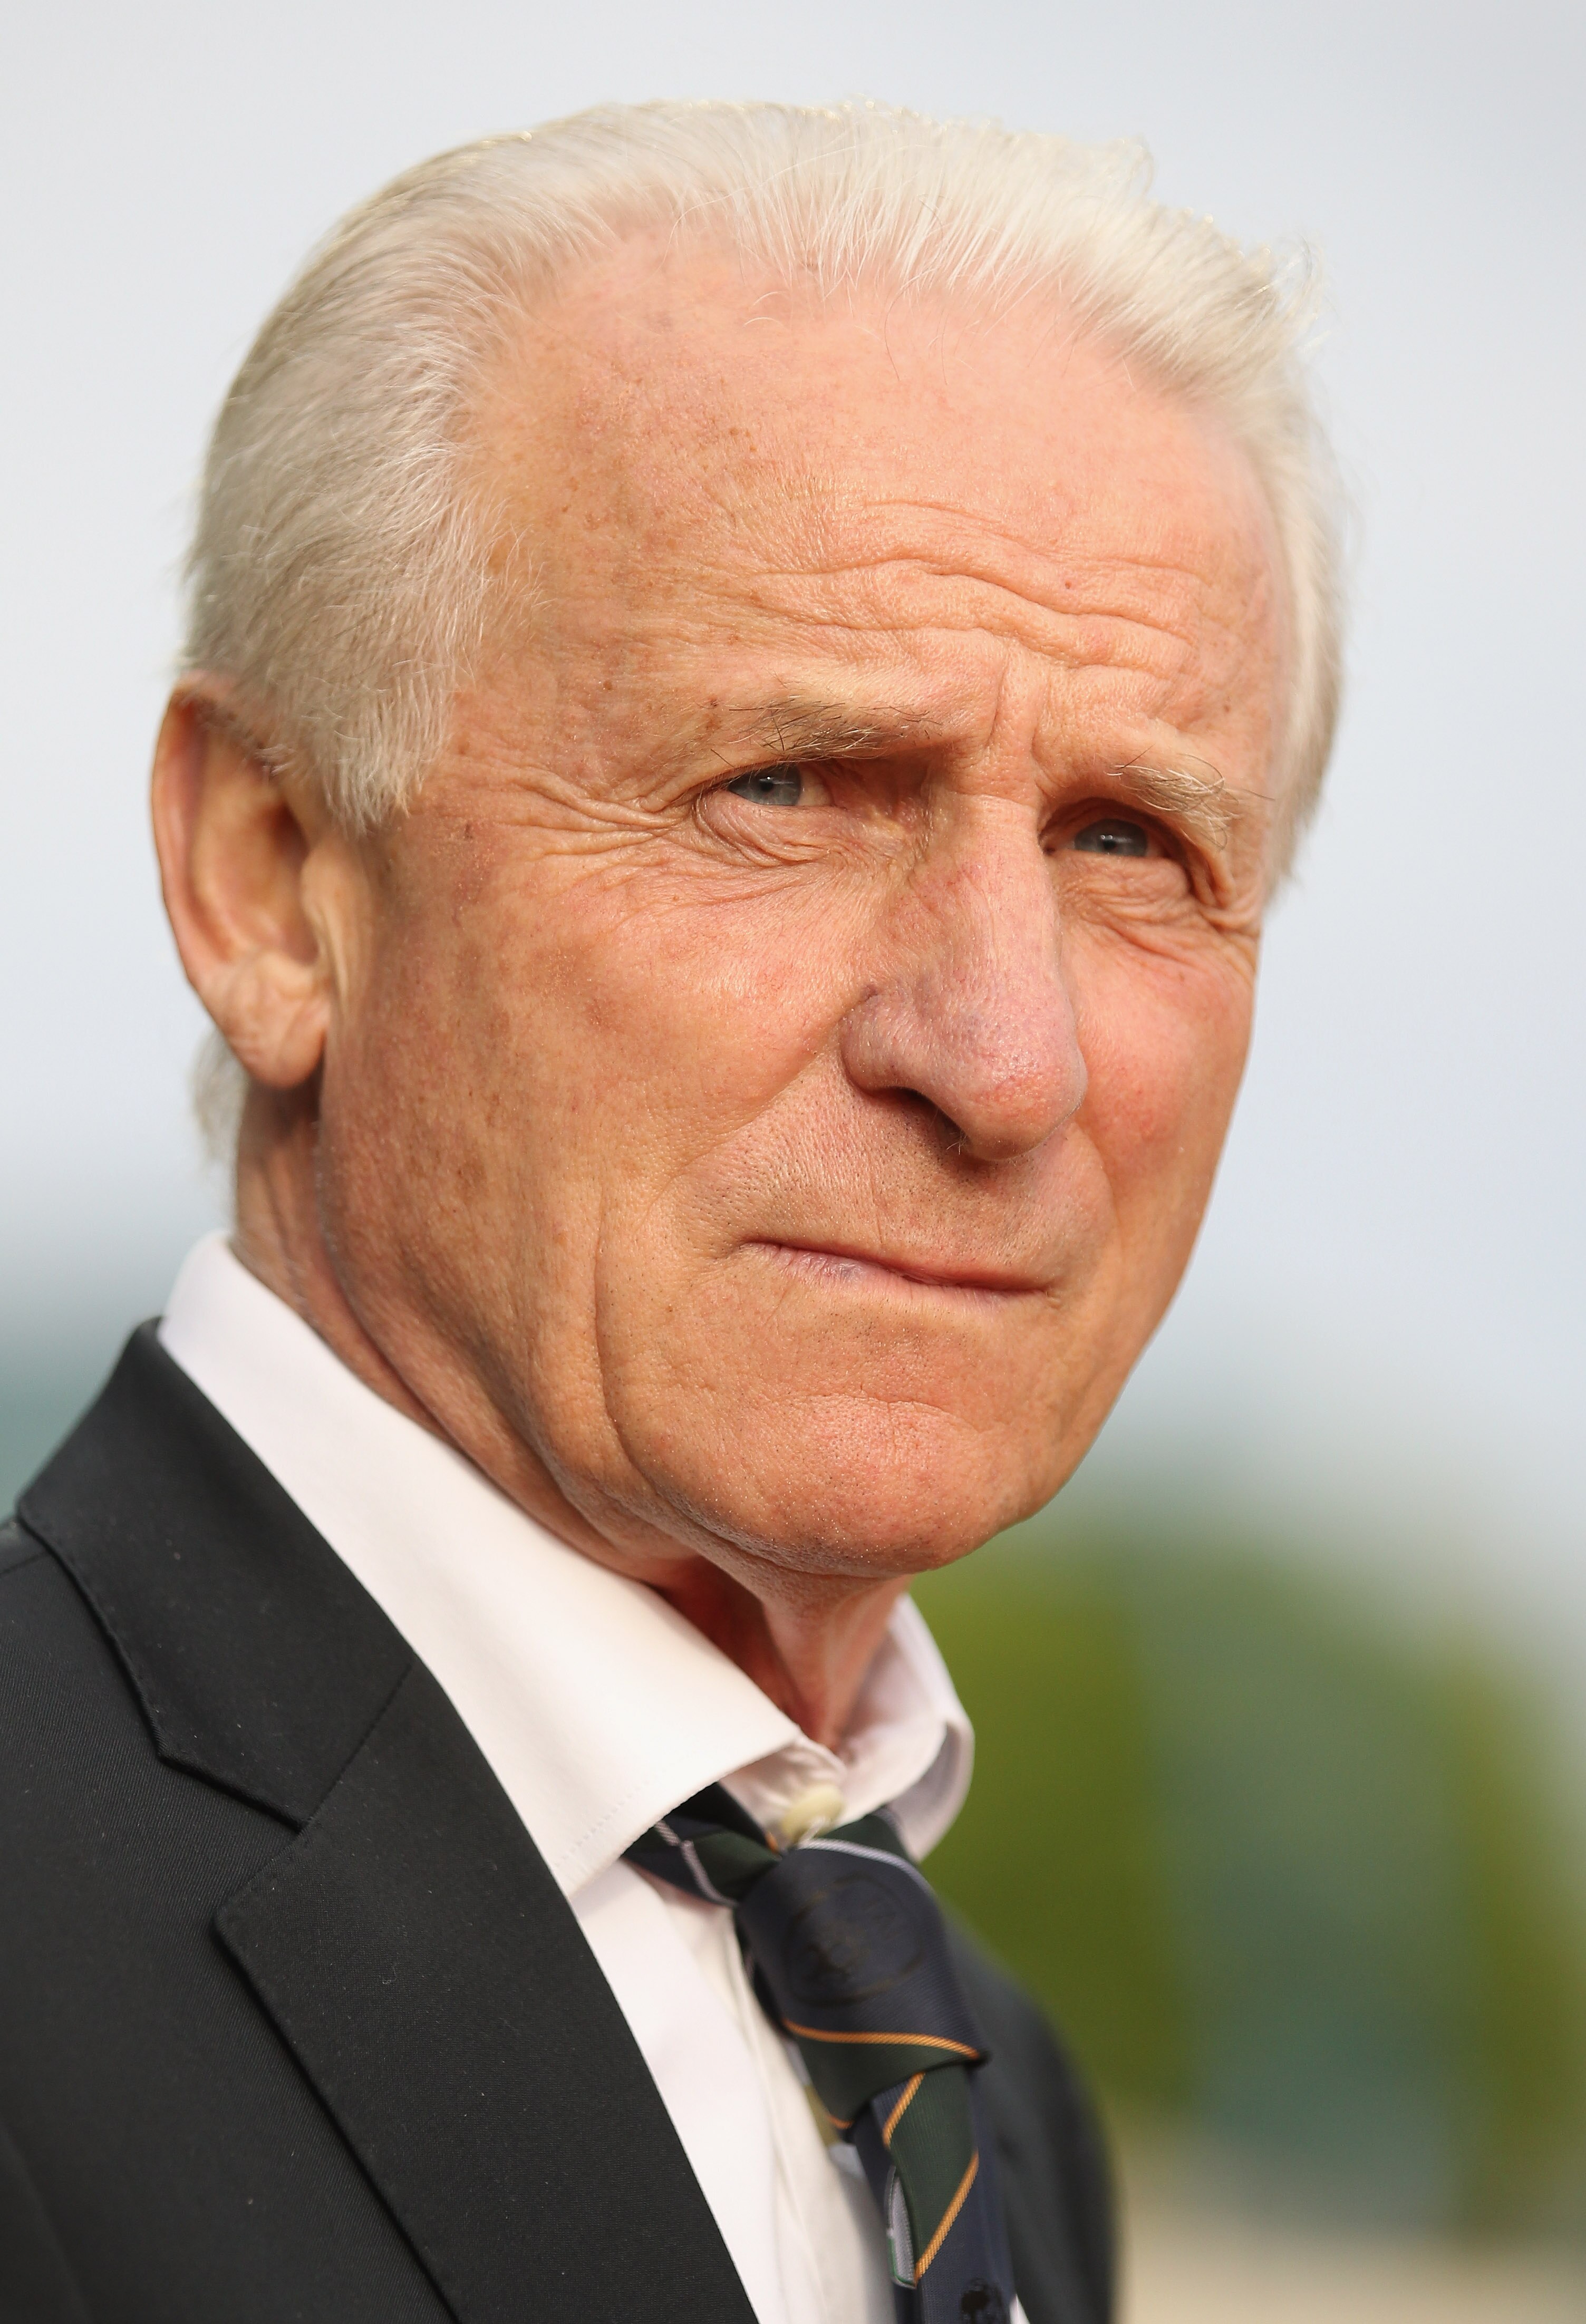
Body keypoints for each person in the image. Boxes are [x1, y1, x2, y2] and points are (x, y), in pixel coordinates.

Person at [0, 101, 1339, 2324]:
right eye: (786, 787)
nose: (1002, 1057)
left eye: (1126, 843)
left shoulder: (980, 2091)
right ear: (269, 879)